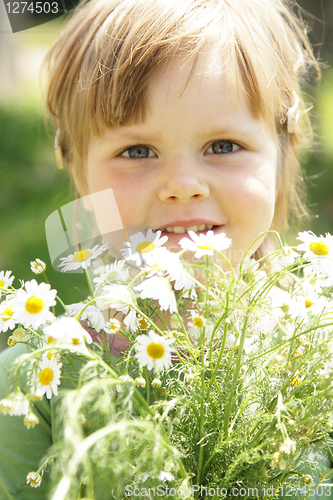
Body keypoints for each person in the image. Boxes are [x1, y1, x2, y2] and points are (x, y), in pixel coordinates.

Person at [0, 0, 330, 498]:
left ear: (283, 158)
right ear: (79, 171)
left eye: (222, 145)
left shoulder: (316, 361)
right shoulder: (34, 382)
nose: (181, 185)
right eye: (137, 151)